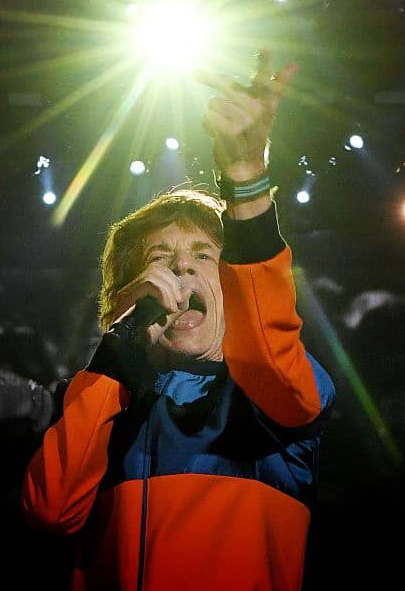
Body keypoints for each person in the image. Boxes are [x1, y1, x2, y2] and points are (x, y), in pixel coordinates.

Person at [21, 49, 336, 590]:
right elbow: (51, 512)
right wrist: (118, 346)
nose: (182, 266)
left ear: (233, 285)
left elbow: (268, 343)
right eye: (160, 259)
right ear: (127, 291)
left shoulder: (273, 394)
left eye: (202, 255)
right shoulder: (94, 402)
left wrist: (245, 182)